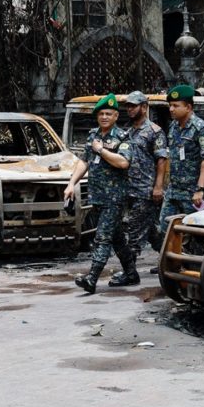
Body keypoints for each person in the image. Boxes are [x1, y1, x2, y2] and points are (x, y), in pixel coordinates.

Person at [63, 94, 134, 294]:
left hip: (114, 198)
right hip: (97, 196)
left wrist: (102, 151)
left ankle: (92, 279)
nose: (104, 117)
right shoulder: (93, 135)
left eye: (108, 114)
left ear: (115, 116)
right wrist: (71, 184)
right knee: (117, 237)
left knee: (102, 238)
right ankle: (131, 272)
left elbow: (123, 162)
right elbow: (84, 161)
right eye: (101, 113)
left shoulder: (122, 137)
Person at [109, 90, 167, 287]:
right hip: (128, 189)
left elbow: (161, 160)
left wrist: (158, 187)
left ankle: (130, 272)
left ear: (144, 107)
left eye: (134, 105)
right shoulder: (127, 131)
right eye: (128, 105)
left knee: (134, 232)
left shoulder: (154, 131)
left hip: (145, 190)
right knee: (152, 232)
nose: (130, 109)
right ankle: (172, 258)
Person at [158, 84, 204, 236]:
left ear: (188, 107)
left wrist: (200, 189)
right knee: (165, 229)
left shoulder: (201, 128)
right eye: (170, 105)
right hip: (174, 190)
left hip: (193, 192)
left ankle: (199, 260)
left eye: (176, 105)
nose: (171, 109)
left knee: (197, 234)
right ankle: (174, 260)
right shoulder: (173, 127)